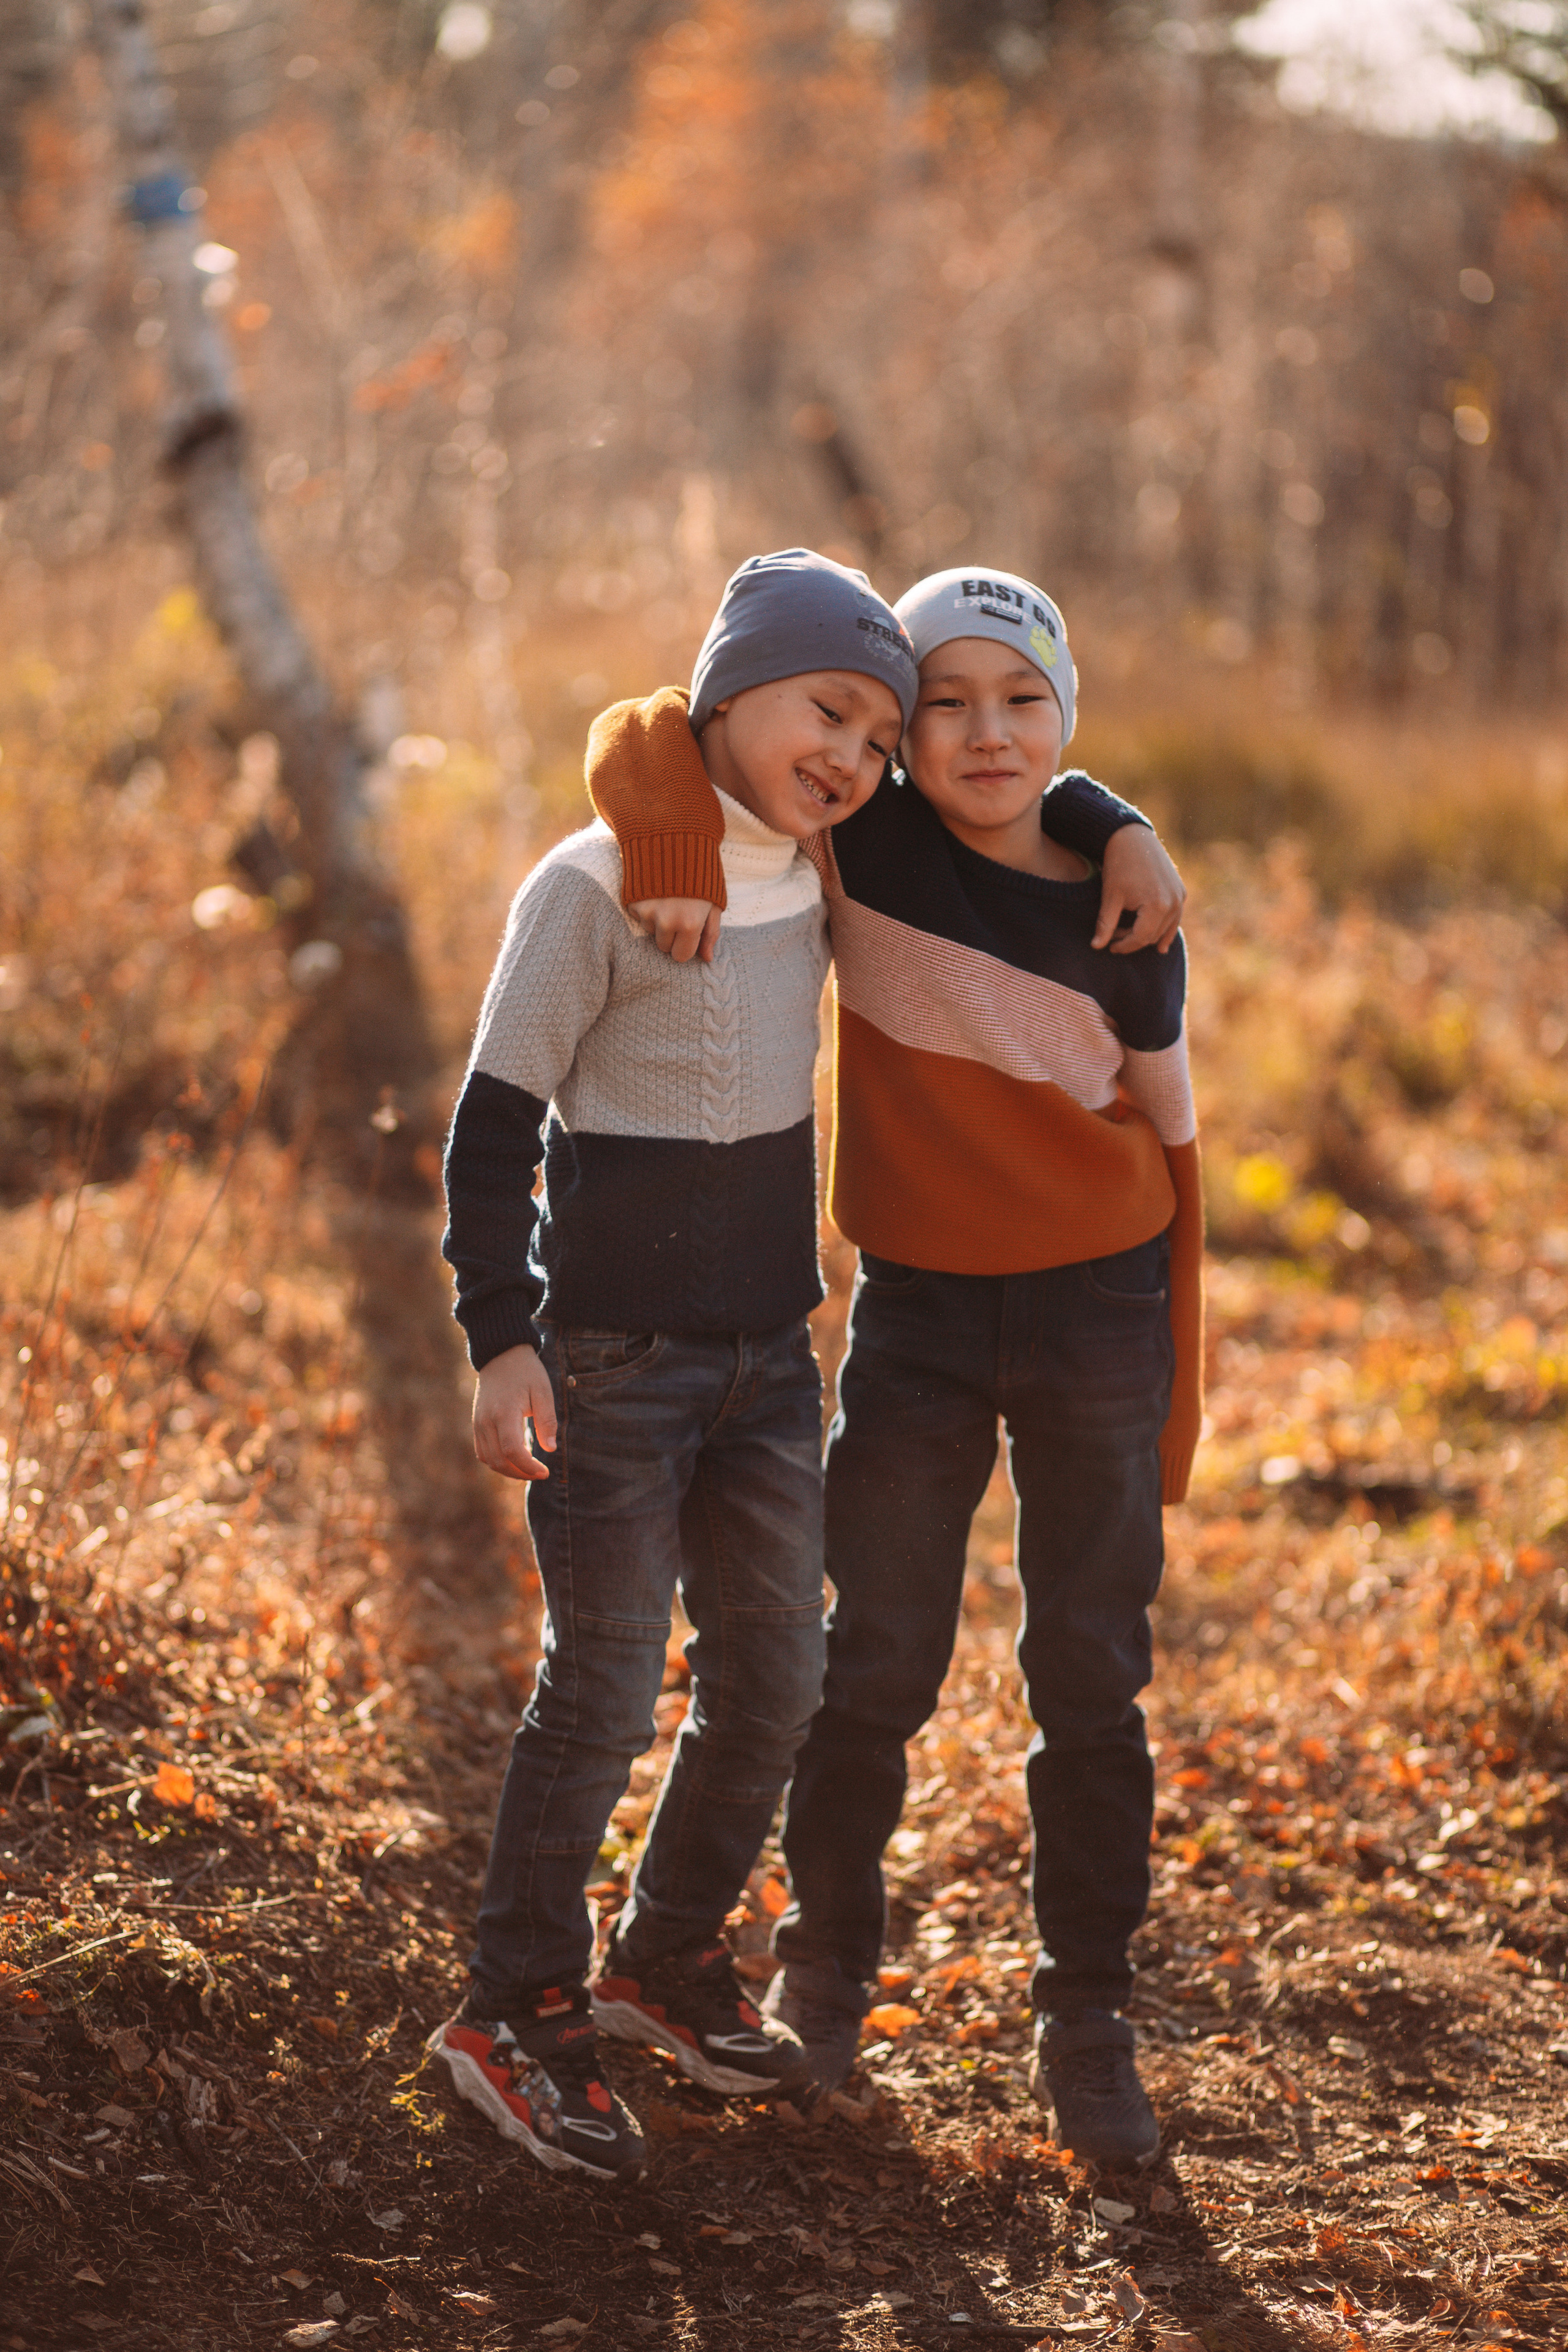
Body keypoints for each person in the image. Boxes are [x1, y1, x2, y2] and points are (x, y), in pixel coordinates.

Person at [588, 565, 1200, 2171]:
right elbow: (654, 732)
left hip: (1099, 1311)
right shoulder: (856, 837)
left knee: (1088, 1671)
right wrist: (664, 854)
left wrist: (1116, 815)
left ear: (1068, 719)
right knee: (874, 1665)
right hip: (922, 1318)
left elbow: (1182, 1157)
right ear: (897, 728)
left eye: (1027, 701)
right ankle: (828, 1980)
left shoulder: (1125, 904)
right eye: (945, 701)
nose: (985, 732)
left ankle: (1088, 2015)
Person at [427, 549, 918, 2182]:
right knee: (610, 1682)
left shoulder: (831, 870)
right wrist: (500, 1336)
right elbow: (492, 1132)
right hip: (614, 1367)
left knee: (780, 1673)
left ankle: (666, 1952)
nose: (851, 753)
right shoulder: (598, 882)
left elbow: (1009, 806)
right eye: (826, 711)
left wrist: (1120, 824)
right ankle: (512, 2003)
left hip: (771, 1368)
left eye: (876, 736)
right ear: (729, 695)